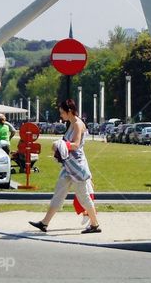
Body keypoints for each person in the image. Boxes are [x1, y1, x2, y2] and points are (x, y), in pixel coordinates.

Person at [29, 99, 101, 234]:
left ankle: (95, 224)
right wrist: (60, 145)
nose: (61, 115)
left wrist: (60, 144)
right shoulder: (72, 123)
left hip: (77, 168)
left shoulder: (78, 124)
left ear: (69, 111)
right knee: (58, 194)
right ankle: (44, 223)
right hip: (68, 166)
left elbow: (76, 144)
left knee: (83, 196)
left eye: (62, 112)